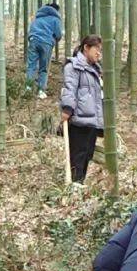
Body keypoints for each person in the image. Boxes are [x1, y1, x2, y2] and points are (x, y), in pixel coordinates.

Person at [60, 35, 105, 185]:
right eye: (96, 49)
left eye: (101, 50)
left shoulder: (96, 70)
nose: (99, 53)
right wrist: (67, 109)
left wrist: (101, 121)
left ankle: (79, 183)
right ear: (86, 48)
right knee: (77, 155)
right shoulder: (74, 67)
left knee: (87, 155)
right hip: (79, 120)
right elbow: (69, 89)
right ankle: (74, 184)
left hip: (92, 120)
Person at [25, 3, 63, 98]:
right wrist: (53, 39)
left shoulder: (37, 18)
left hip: (33, 41)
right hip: (46, 43)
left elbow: (30, 31)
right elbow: (58, 34)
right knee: (43, 68)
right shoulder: (55, 19)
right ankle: (41, 91)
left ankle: (28, 88)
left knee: (31, 66)